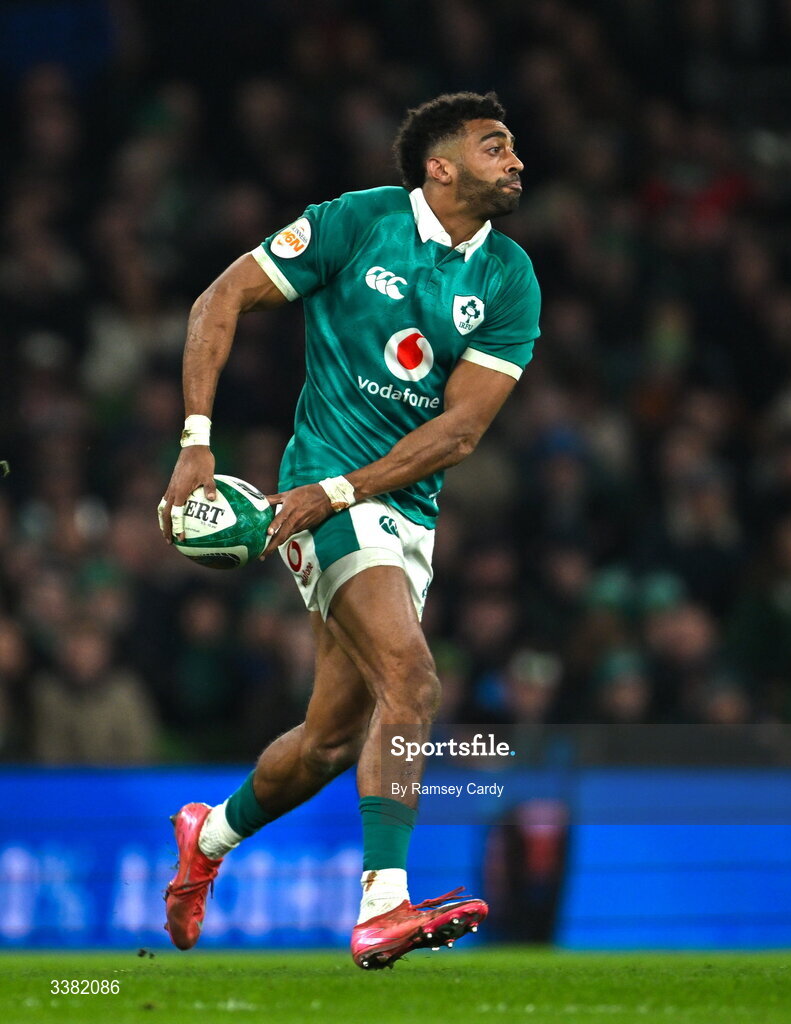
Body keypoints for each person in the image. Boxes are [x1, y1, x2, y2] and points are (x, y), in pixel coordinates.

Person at [158, 91, 540, 969]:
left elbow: (460, 432)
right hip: (318, 492)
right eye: (495, 146)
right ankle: (382, 907)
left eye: (513, 147)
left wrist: (348, 489)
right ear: (439, 167)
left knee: (330, 738)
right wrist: (196, 444)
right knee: (413, 673)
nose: (516, 160)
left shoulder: (509, 276)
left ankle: (205, 840)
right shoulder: (356, 222)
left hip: (397, 507)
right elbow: (219, 301)